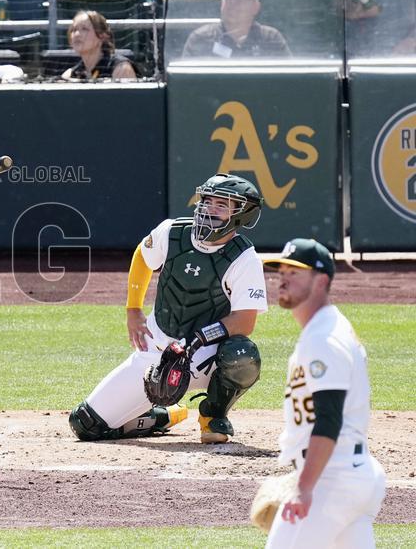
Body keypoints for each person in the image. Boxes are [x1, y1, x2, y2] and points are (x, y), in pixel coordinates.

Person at [68, 173, 268, 443]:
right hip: (155, 352)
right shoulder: (173, 232)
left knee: (242, 355)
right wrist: (133, 310)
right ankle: (163, 415)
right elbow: (142, 255)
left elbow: (244, 321)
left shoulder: (244, 258)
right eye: (207, 201)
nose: (209, 210)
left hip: (205, 357)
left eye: (221, 205)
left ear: (242, 215)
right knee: (85, 424)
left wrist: (198, 341)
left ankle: (213, 415)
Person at [263, 238, 386, 548]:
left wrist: (304, 488)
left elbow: (328, 420)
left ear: (322, 281)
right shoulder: (329, 329)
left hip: (332, 480)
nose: (284, 278)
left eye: (296, 272)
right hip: (353, 476)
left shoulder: (323, 338)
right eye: (282, 271)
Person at [181, 0, 292, 59]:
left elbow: (289, 82)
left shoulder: (271, 40)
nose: (232, 2)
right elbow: (186, 85)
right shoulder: (201, 39)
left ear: (255, 7)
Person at [60, 10, 136, 80]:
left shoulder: (121, 69)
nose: (77, 34)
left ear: (102, 36)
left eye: (84, 29)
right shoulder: (70, 75)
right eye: (74, 30)